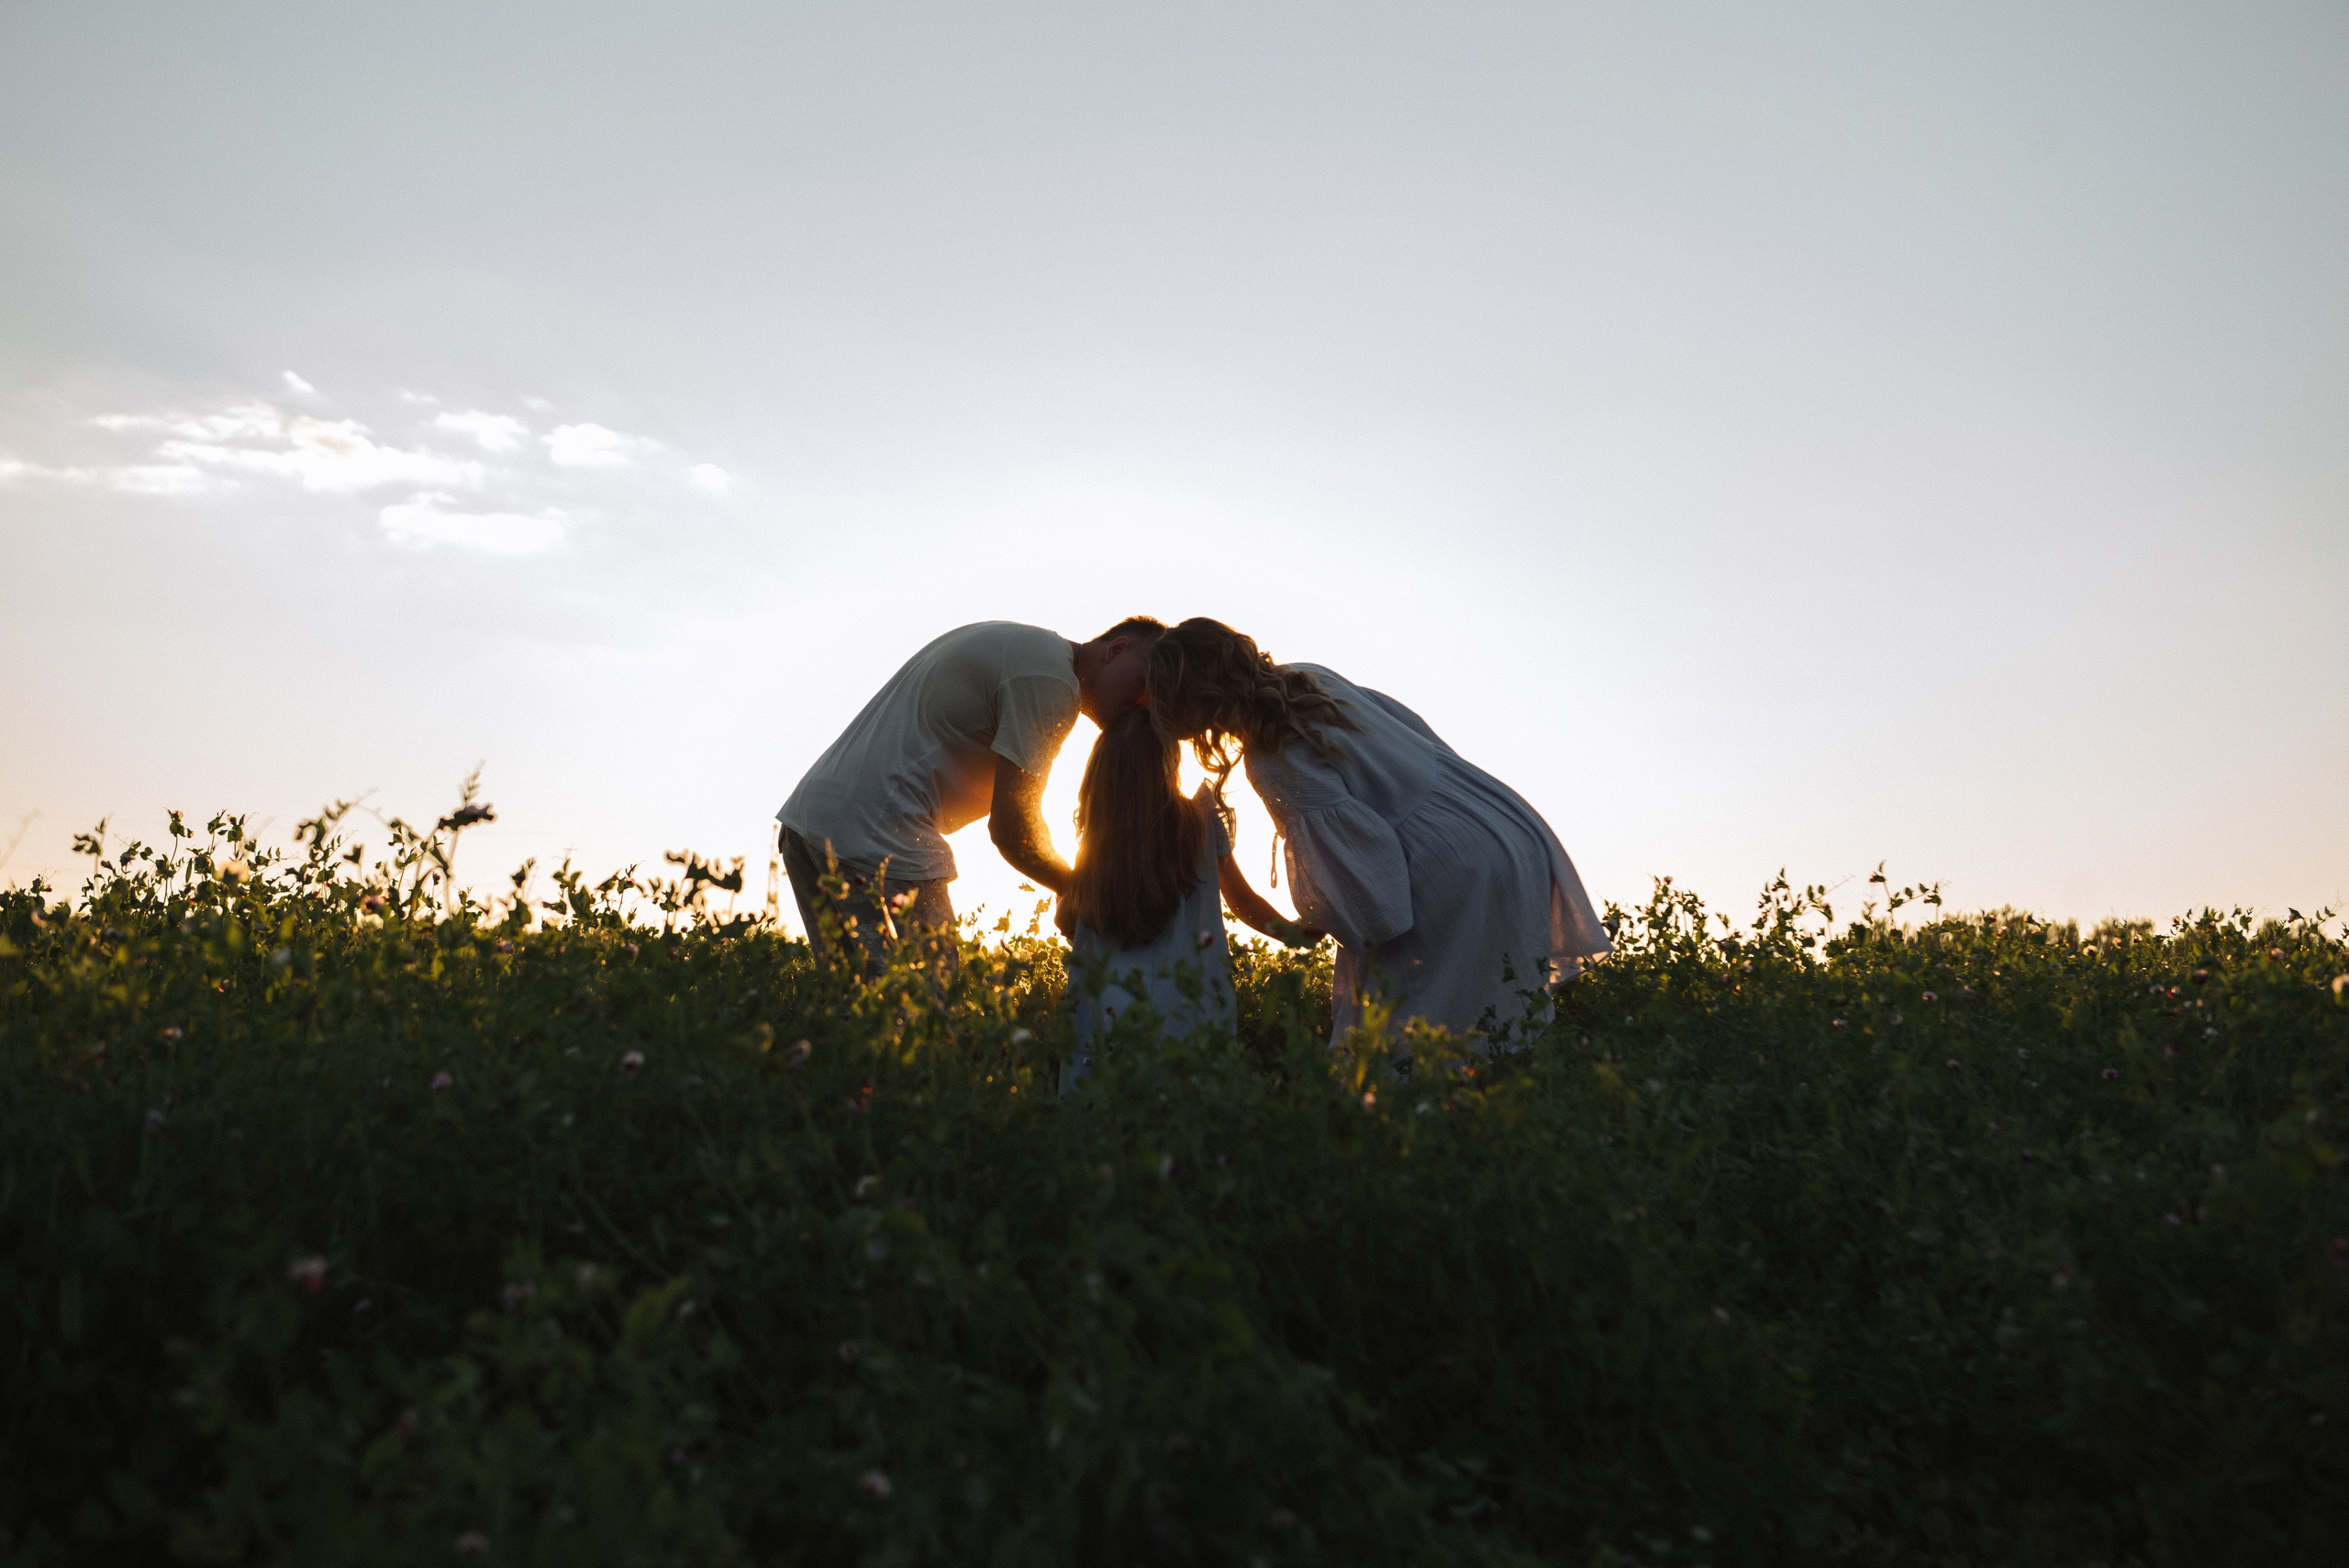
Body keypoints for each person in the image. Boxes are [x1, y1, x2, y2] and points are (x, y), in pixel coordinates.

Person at [1143, 617, 1609, 1048]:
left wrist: (1320, 918)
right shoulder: (1309, 678)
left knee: (1398, 1050)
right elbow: (1417, 734)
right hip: (1503, 829)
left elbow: (1374, 906)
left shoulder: (1270, 757)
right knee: (1498, 1036)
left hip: (1447, 871)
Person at [775, 617, 1160, 969]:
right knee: (930, 1014)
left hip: (811, 819)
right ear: (1117, 649)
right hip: (877, 835)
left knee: (855, 1016)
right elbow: (1013, 826)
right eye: (1145, 684)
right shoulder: (1053, 681)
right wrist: (1080, 893)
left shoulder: (1026, 646)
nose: (1144, 704)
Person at [1056, 706, 1315, 1089]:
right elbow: (1242, 900)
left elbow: (1067, 921)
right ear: (1168, 762)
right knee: (1186, 1127)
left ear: (1100, 775)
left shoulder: (1096, 841)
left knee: (1105, 1129)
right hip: (1186, 1009)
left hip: (1103, 1017)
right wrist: (1293, 933)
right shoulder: (1200, 821)